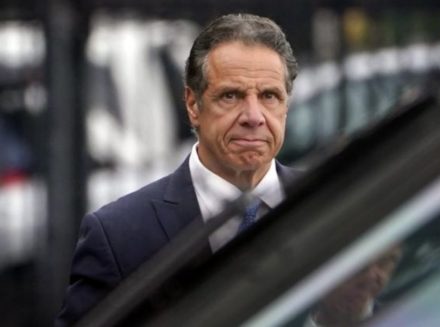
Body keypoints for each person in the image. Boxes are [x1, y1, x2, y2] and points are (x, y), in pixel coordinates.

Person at [55, 13, 299, 326]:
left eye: (269, 96)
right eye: (231, 95)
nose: (253, 116)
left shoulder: (336, 202)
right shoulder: (117, 236)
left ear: (286, 104)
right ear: (193, 105)